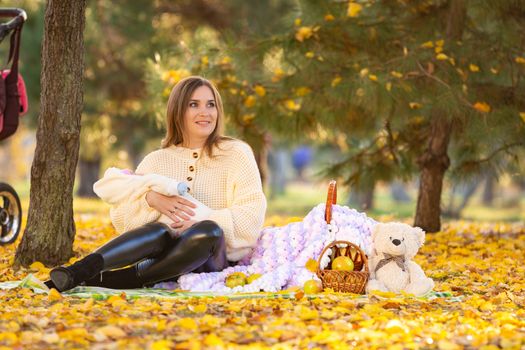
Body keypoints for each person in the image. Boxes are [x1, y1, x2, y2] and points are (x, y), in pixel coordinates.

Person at [46, 76, 267, 292]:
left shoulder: (237, 153)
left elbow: (251, 216)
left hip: (211, 258)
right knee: (159, 230)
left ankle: (125, 278)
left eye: (211, 105)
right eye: (194, 104)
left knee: (208, 231)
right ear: (178, 111)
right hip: (163, 257)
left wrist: (198, 221)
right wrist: (150, 199)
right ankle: (79, 271)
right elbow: (123, 220)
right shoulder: (156, 160)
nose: (205, 112)